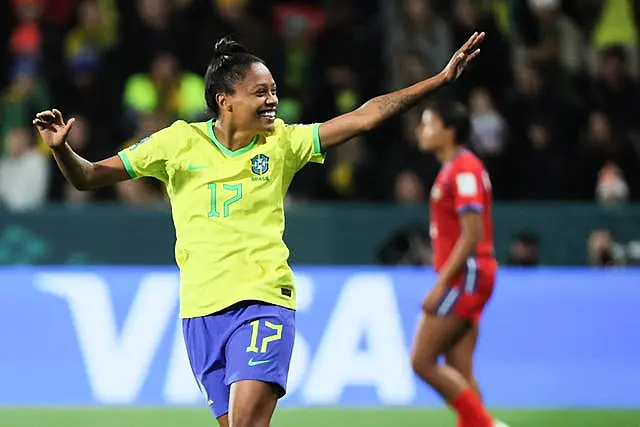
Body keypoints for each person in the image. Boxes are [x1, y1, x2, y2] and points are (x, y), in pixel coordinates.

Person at [33, 32, 484, 427]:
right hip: (201, 312)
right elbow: (88, 176)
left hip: (262, 301)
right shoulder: (175, 143)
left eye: (274, 91)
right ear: (224, 101)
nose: (273, 100)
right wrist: (61, 151)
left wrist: (439, 81)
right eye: (260, 92)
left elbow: (365, 116)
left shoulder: (283, 143)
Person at [412, 100, 507, 427]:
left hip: (466, 276)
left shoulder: (463, 169)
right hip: (469, 276)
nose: (420, 131)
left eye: (428, 123)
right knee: (459, 368)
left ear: (450, 131)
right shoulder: (455, 167)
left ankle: (486, 424)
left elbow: (472, 234)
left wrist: (439, 285)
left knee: (422, 361)